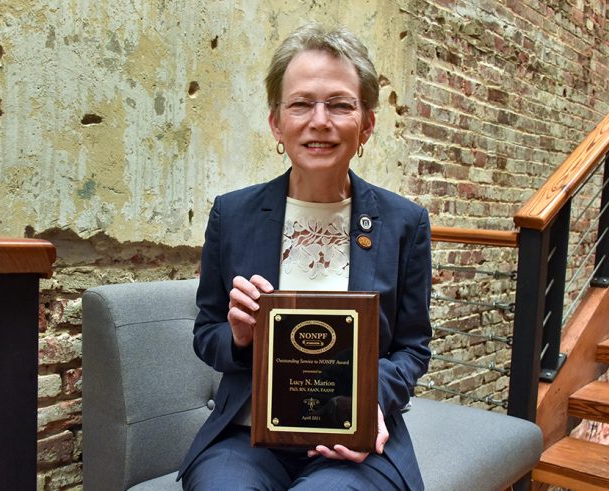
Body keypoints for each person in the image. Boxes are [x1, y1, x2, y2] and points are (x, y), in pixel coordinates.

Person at [178, 23, 432, 490]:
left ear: (367, 124)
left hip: (355, 441)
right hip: (247, 438)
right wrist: (239, 337)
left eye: (340, 104)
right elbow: (207, 334)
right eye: (301, 104)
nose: (320, 120)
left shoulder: (405, 223)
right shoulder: (232, 214)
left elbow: (412, 348)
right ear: (276, 122)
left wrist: (368, 402)